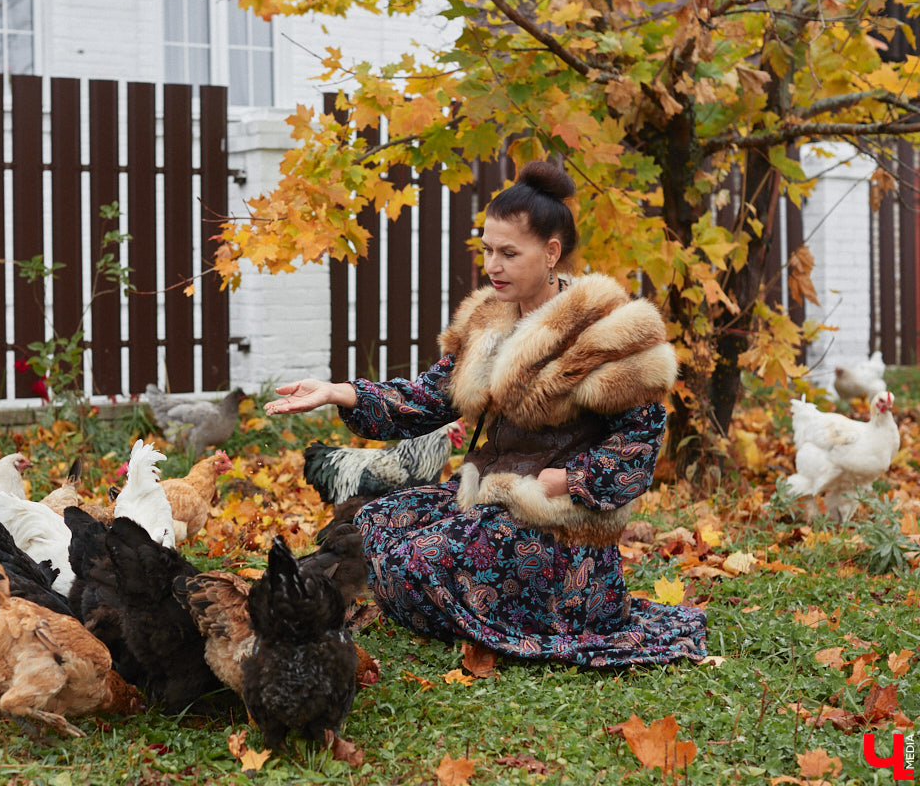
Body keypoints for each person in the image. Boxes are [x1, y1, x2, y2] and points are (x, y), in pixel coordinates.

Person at [264, 161, 706, 667]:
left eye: (509, 253)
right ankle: (468, 602)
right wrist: (339, 392)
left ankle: (533, 608)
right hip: (487, 497)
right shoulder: (487, 320)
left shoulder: (604, 331)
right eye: (487, 250)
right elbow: (429, 398)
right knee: (372, 529)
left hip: (560, 530)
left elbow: (641, 441)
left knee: (420, 562)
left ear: (551, 253)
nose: (492, 265)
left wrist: (566, 482)